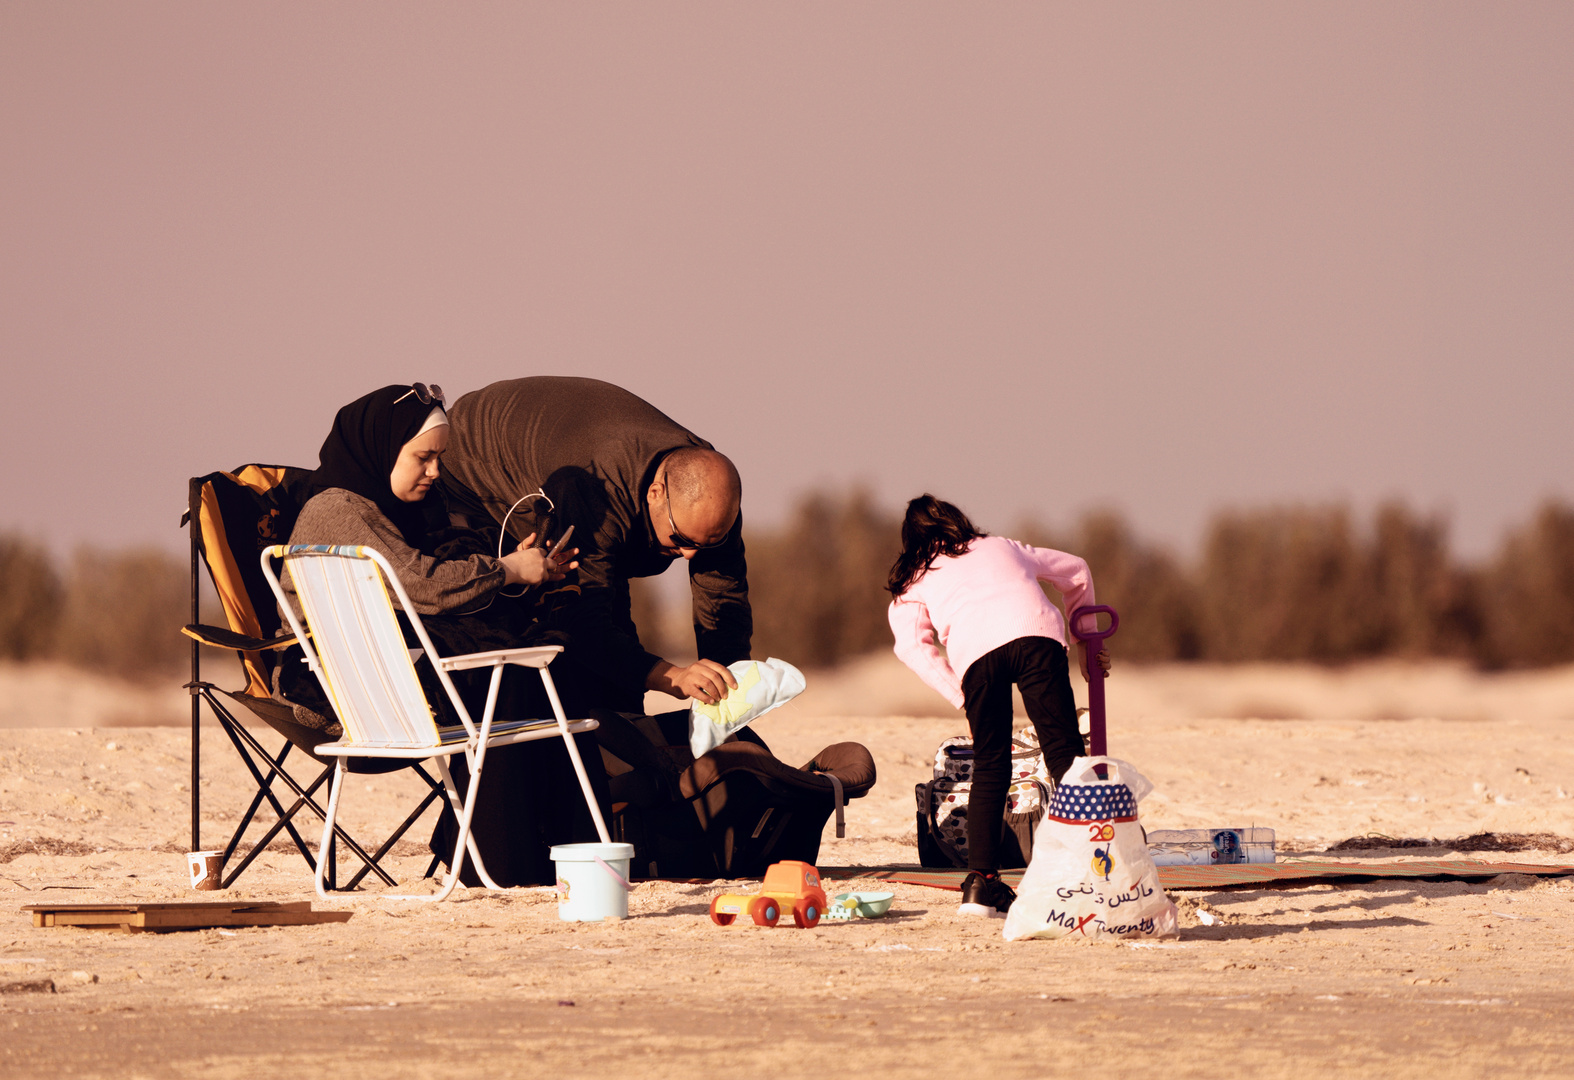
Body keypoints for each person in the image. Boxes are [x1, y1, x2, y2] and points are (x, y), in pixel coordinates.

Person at [274, 382, 605, 886]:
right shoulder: (340, 510)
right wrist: (509, 570)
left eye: (439, 458)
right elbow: (423, 586)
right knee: (524, 675)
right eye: (423, 457)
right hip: (359, 693)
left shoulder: (387, 510)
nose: (434, 472)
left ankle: (529, 856)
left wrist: (516, 567)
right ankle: (512, 861)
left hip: (386, 675)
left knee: (531, 672)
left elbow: (424, 585)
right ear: (382, 447)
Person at [438, 376, 751, 713]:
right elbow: (582, 617)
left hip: (573, 468)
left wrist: (728, 694)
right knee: (566, 625)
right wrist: (671, 676)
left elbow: (724, 600)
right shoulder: (595, 488)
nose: (690, 554)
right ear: (655, 493)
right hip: (470, 476)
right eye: (680, 539)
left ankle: (625, 734)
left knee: (614, 656)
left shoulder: (710, 496)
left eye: (705, 545)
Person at [886, 494, 1111, 918]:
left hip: (976, 656)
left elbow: (911, 648)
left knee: (992, 765)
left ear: (912, 541)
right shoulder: (1000, 545)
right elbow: (1076, 571)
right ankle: (1097, 865)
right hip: (1037, 638)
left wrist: (960, 694)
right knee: (1064, 752)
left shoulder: (915, 579)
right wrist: (1084, 641)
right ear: (957, 521)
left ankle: (981, 885)